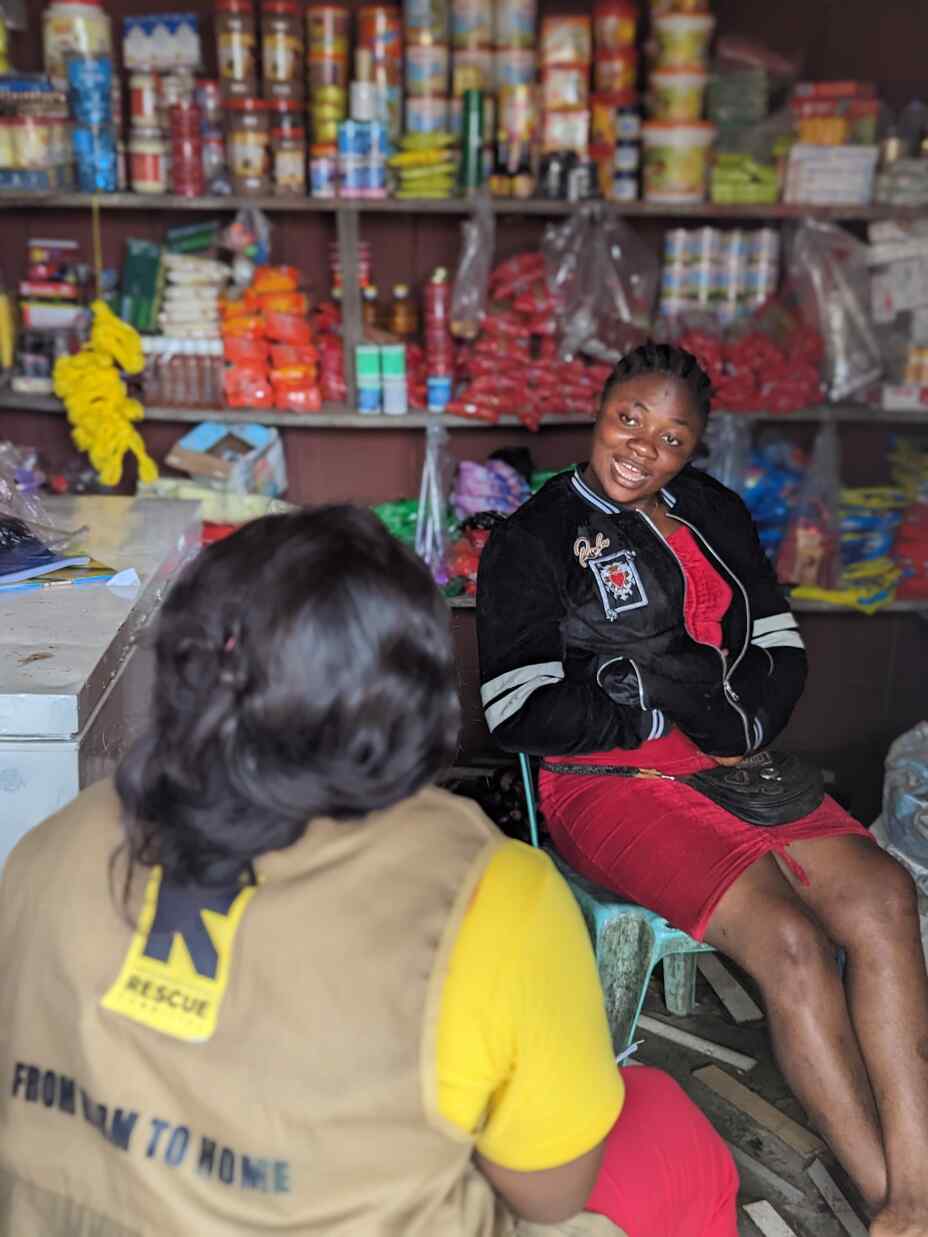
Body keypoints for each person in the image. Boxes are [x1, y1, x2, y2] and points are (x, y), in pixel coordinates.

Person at [0, 505, 737, 1237]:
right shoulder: (491, 895)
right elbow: (549, 1195)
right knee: (670, 1129)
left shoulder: (62, 837)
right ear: (414, 696)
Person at [476, 342, 928, 1237]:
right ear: (600, 408)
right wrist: (644, 712)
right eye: (630, 419)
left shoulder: (713, 511)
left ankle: (919, 1181)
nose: (643, 448)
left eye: (673, 437)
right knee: (792, 945)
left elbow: (776, 638)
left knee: (883, 895)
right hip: (604, 782)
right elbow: (517, 709)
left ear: (694, 449)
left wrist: (745, 722)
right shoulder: (534, 538)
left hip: (733, 766)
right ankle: (892, 1202)